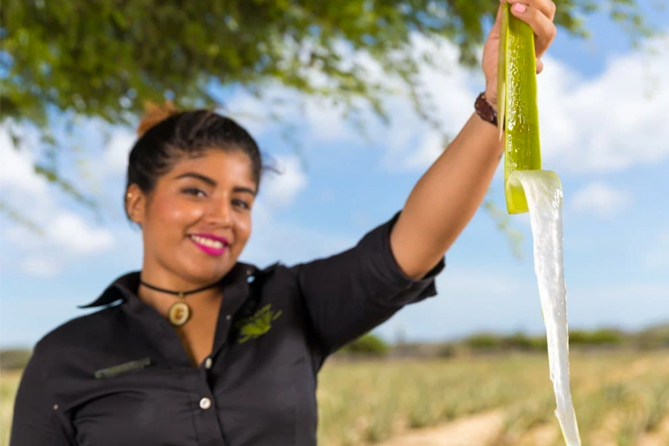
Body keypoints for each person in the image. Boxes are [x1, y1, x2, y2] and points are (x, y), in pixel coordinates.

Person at [9, 1, 557, 444]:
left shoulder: (290, 304)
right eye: (195, 190)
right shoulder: (66, 358)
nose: (222, 216)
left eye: (241, 200)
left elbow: (410, 245)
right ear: (137, 202)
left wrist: (496, 101)